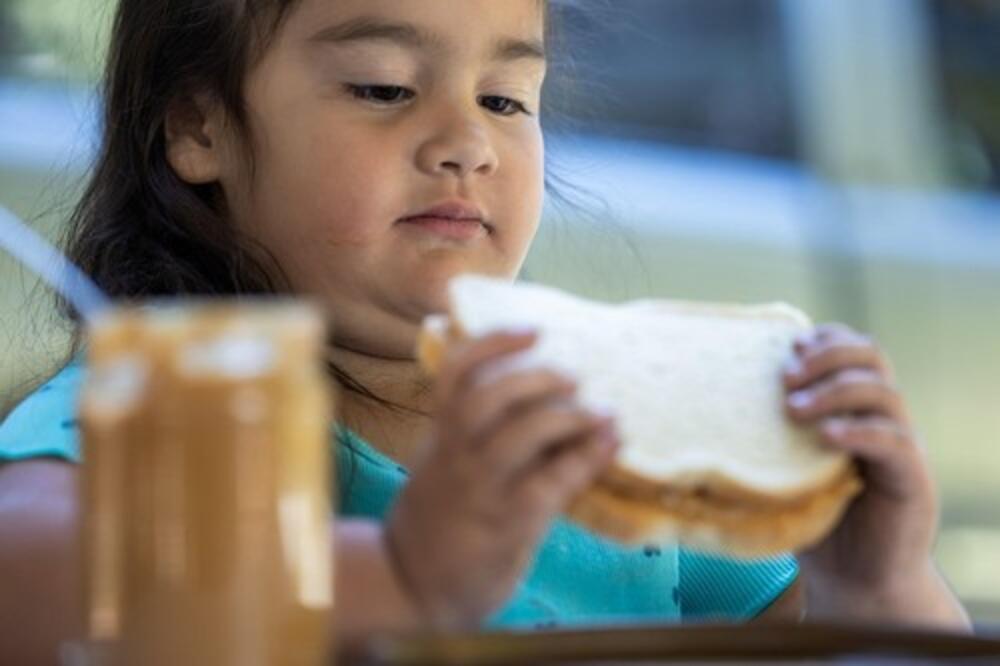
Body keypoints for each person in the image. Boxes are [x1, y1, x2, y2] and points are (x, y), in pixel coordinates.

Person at [0, 0, 971, 662]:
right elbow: (26, 579)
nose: (466, 142)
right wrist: (404, 576)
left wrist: (873, 588)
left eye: (505, 99)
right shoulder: (188, 401)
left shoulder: (600, 429)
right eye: (383, 86)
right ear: (198, 124)